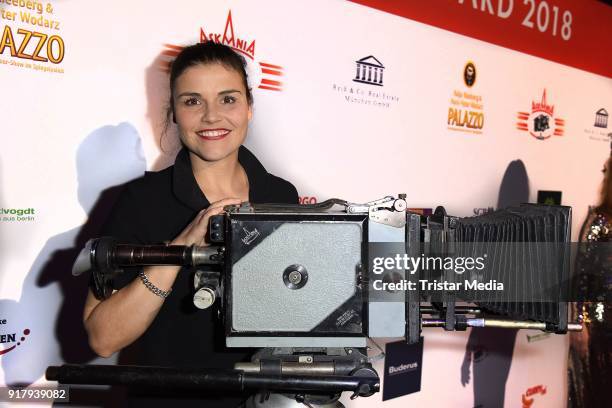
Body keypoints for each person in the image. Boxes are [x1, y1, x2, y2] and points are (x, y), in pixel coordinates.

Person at [82, 41, 298, 407]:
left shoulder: (281, 194)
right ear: (174, 114)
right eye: (192, 101)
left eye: (228, 99)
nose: (212, 116)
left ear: (249, 109)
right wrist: (181, 248)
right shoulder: (142, 199)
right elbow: (102, 338)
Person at [568, 155, 612, 408]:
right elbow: (581, 274)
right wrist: (579, 323)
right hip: (597, 327)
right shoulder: (599, 220)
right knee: (592, 396)